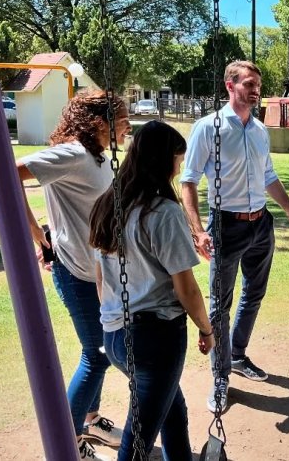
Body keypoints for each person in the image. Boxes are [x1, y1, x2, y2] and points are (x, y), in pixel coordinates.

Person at [180, 60, 289, 413]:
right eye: (249, 84)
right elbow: (188, 181)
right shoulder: (208, 128)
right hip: (226, 225)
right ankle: (220, 376)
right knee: (220, 304)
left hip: (260, 225)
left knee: (255, 292)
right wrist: (197, 229)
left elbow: (268, 175)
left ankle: (237, 355)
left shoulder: (259, 130)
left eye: (258, 84)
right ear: (230, 86)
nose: (256, 90)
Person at [90, 121, 214, 460]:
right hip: (156, 337)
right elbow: (186, 288)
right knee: (137, 443)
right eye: (178, 158)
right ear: (165, 159)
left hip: (116, 333)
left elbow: (101, 278)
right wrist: (207, 329)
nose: (180, 166)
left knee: (173, 412)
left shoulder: (108, 205)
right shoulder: (164, 213)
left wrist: (113, 317)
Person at [16, 89, 129, 460]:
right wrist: (39, 235)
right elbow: (8, 174)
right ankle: (67, 440)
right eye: (123, 120)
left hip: (98, 270)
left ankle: (90, 420)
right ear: (100, 123)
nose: (128, 128)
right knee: (97, 354)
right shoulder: (74, 153)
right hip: (76, 271)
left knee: (101, 348)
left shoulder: (97, 157)